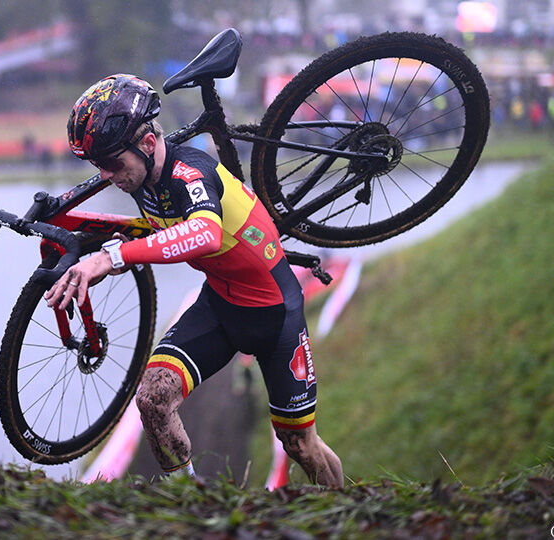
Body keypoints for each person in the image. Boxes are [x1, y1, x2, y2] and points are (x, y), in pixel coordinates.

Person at [45, 75, 344, 487]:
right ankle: (190, 504)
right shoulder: (141, 177)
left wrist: (110, 257)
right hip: (219, 307)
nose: (107, 175)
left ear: (148, 144)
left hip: (275, 317)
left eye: (112, 163)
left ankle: (344, 512)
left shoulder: (190, 172)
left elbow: (204, 233)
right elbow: (150, 229)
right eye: (97, 165)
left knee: (300, 445)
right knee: (152, 400)